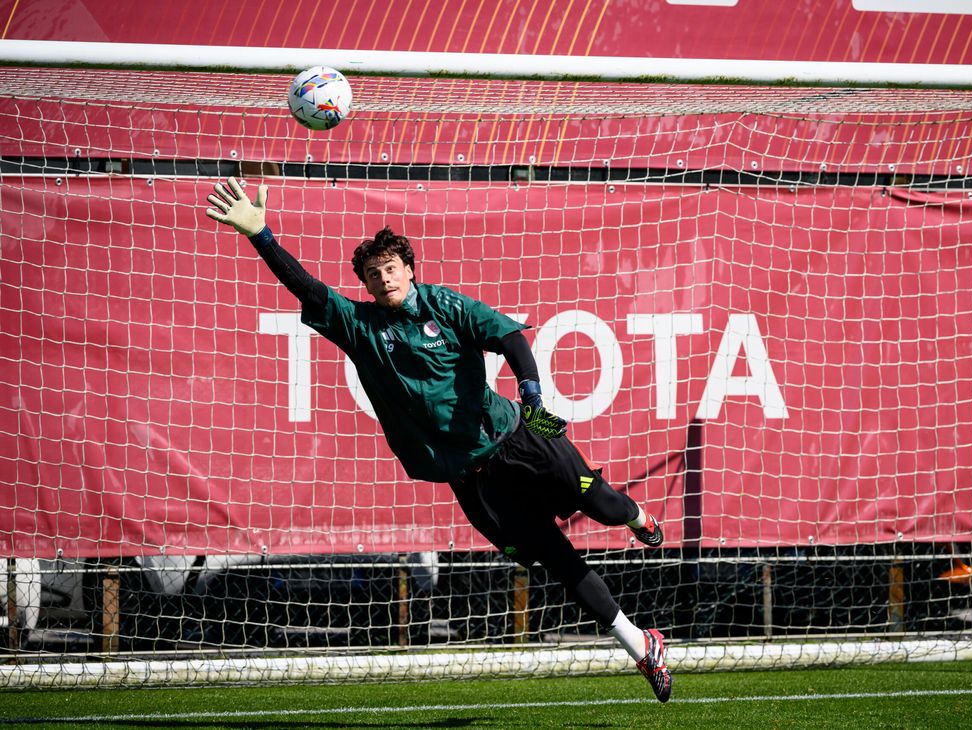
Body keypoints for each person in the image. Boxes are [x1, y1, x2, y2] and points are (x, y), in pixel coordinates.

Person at [205, 177, 673, 702]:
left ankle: (638, 518)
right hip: (471, 479)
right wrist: (260, 235)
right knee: (558, 561)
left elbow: (509, 336)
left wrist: (533, 397)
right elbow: (309, 289)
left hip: (521, 434)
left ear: (409, 269)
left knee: (605, 506)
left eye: (390, 268)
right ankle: (641, 646)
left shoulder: (444, 307)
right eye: (371, 273)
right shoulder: (359, 327)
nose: (382, 279)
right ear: (364, 282)